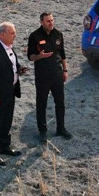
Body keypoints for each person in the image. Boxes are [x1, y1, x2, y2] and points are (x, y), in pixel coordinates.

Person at [0, 22, 27, 166]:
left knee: (7, 121)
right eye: (12, 33)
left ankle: (5, 147)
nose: (15, 35)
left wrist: (19, 69)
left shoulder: (9, 48)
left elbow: (11, 64)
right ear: (2, 34)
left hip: (10, 91)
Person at [27, 12, 72, 142]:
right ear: (41, 22)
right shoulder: (34, 36)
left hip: (57, 75)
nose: (51, 23)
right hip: (42, 76)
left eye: (52, 20)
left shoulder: (58, 34)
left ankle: (61, 128)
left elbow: (62, 54)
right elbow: (30, 57)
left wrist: (65, 70)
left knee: (60, 103)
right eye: (48, 21)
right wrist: (40, 56)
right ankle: (42, 131)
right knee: (41, 104)